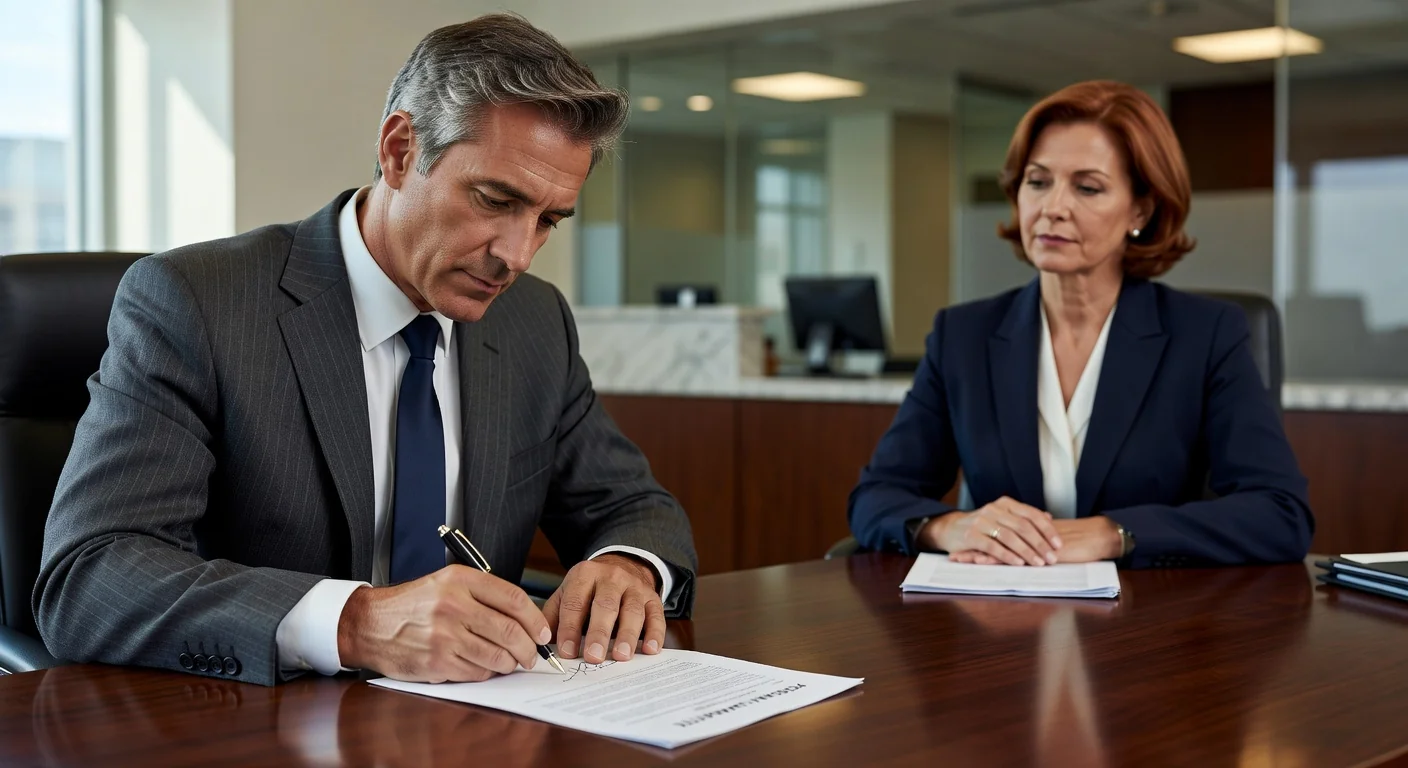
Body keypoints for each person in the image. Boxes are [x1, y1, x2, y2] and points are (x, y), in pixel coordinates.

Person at [35, 14, 696, 687]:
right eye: (496, 200)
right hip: (258, 723)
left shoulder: (534, 322)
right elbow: (90, 575)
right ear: (400, 150)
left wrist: (626, 567)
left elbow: (635, 507)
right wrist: (356, 622)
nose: (517, 255)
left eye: (548, 220)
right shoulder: (198, 303)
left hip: (486, 721)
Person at [848, 80, 1312, 568]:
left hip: (1153, 624)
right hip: (998, 624)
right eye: (1038, 181)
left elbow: (1280, 513)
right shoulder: (963, 336)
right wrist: (950, 526)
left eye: (1087, 187)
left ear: (1141, 209)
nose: (1052, 208)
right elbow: (876, 496)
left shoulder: (1206, 334)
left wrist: (1115, 534)